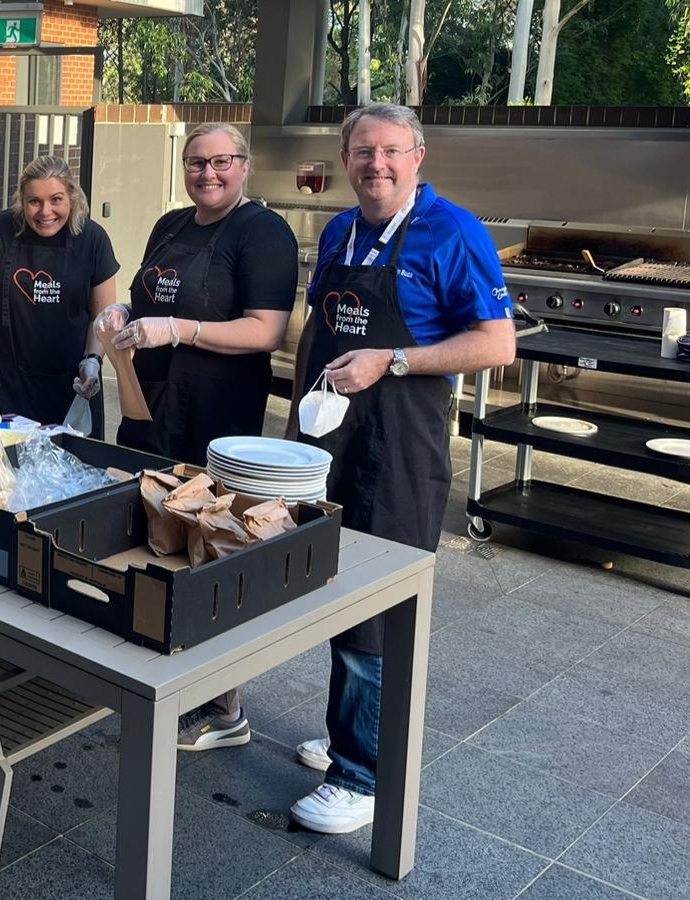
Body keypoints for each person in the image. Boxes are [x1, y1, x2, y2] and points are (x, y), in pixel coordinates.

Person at [287, 103, 514, 834]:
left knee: (378, 611)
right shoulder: (338, 230)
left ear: (418, 156)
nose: (374, 164)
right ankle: (354, 732)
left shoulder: (455, 232)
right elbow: (318, 330)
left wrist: (397, 359)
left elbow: (497, 344)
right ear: (346, 159)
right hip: (330, 443)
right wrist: (294, 427)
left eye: (390, 151)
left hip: (402, 451)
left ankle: (362, 776)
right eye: (361, 151)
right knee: (331, 586)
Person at [94, 124, 298, 752]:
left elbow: (266, 332)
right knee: (152, 532)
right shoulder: (171, 225)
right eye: (196, 163)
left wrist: (178, 329)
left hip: (217, 411)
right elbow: (141, 299)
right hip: (151, 404)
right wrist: (125, 318)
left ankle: (224, 704)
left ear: (244, 165)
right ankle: (155, 671)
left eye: (220, 163)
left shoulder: (263, 231)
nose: (207, 174)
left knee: (211, 545)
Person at [0, 155, 117, 429]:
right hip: (4, 386)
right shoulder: (1, 230)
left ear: (72, 198)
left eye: (56, 200)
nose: (45, 212)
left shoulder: (93, 240)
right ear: (22, 202)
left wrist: (93, 360)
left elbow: (103, 318)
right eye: (34, 201)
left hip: (70, 386)